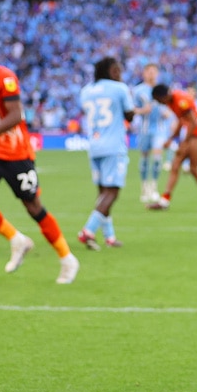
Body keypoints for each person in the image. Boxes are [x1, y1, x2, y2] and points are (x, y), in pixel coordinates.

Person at [0, 37, 79, 283]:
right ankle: (17, 240)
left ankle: (67, 259)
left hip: (17, 155)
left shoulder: (5, 77)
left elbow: (16, 116)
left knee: (33, 207)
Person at [76, 57, 135, 249]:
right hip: (113, 146)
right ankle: (88, 230)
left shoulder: (86, 91)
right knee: (113, 192)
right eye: (117, 71)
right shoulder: (120, 88)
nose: (120, 74)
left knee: (102, 193)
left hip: (94, 145)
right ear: (109, 71)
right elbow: (129, 115)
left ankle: (109, 237)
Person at [147, 84, 197, 212]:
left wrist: (184, 142)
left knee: (193, 169)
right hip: (192, 134)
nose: (160, 103)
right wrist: (171, 138)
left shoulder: (180, 100)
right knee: (175, 166)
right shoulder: (171, 101)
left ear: (162, 96)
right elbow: (182, 120)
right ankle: (164, 200)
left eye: (158, 100)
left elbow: (193, 121)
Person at [131, 63, 166, 204]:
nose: (151, 74)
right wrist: (141, 111)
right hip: (144, 129)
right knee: (145, 158)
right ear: (144, 74)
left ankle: (154, 186)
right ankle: (144, 186)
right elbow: (132, 109)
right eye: (149, 71)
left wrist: (168, 112)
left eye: (154, 71)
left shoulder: (162, 89)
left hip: (159, 129)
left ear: (157, 73)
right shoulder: (138, 90)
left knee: (157, 157)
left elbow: (168, 105)